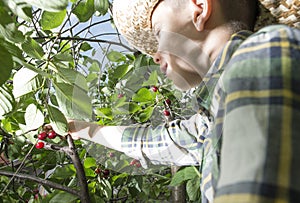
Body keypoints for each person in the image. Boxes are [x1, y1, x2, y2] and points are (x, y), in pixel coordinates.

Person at [69, 0, 300, 202]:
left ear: (199, 9)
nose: (155, 55)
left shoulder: (264, 54)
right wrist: (88, 131)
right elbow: (158, 142)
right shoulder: (214, 117)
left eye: (158, 32)